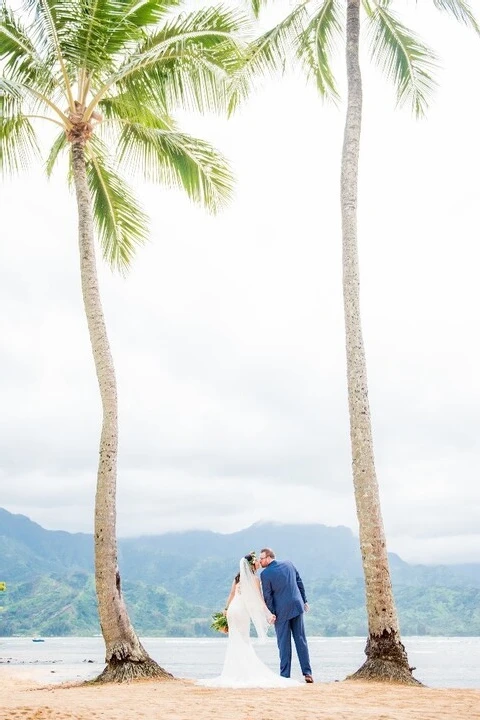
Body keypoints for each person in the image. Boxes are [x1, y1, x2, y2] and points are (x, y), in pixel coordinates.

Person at [197, 552, 301, 688]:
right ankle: (243, 671)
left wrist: (226, 610)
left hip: (233, 610)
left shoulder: (237, 579)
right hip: (241, 612)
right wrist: (269, 613)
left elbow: (231, 594)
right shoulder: (255, 579)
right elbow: (259, 599)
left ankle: (233, 671)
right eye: (257, 561)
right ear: (252, 565)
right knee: (244, 640)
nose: (259, 562)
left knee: (235, 640)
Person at [259, 547, 314, 683]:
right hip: (297, 606)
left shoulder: (265, 574)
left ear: (269, 557)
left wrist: (271, 613)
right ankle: (307, 673)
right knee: (301, 640)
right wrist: (304, 600)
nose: (260, 561)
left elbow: (268, 596)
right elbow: (299, 582)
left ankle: (284, 676)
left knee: (284, 644)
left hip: (281, 612)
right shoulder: (289, 563)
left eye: (262, 558)